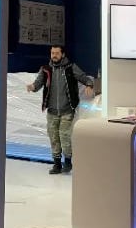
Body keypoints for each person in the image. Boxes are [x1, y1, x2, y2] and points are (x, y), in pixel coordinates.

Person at [26, 45, 94, 174]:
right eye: (52, 53)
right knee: (54, 138)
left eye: (57, 53)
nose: (54, 56)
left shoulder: (71, 68)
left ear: (63, 54)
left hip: (67, 110)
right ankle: (57, 164)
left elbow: (84, 78)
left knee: (64, 137)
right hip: (52, 111)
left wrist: (89, 85)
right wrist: (32, 86)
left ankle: (67, 162)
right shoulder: (46, 69)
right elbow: (38, 83)